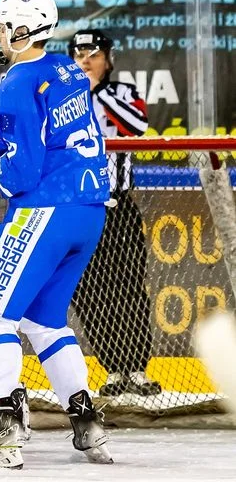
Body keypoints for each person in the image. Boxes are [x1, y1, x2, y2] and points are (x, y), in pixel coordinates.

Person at [0, 0, 112, 469]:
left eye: (1, 27)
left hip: (45, 210)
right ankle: (86, 419)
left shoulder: (15, 86)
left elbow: (20, 171)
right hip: (89, 208)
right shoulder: (64, 68)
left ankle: (4, 429)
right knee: (44, 321)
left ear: (20, 30)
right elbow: (48, 132)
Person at [67, 29, 159, 397]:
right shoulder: (62, 97)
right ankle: (112, 370)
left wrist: (94, 91)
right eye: (78, 54)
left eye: (93, 53)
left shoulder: (122, 93)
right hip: (78, 207)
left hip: (118, 206)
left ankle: (136, 368)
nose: (85, 59)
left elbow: (136, 127)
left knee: (129, 287)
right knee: (89, 290)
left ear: (108, 58)